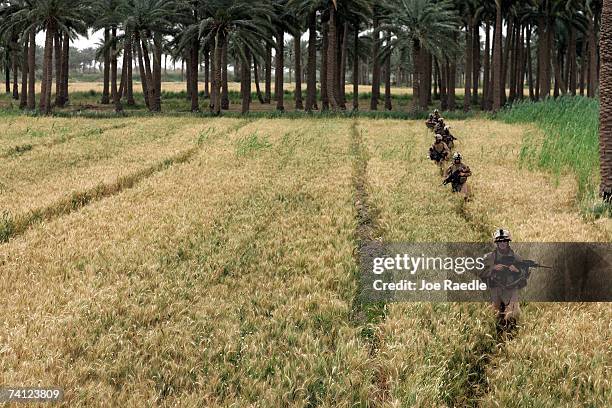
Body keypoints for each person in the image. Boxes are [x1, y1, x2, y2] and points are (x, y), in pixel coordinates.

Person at [479, 229, 527, 327]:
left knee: (512, 317)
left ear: (508, 242)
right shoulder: (489, 257)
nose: (502, 243)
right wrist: (492, 268)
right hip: (495, 290)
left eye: (504, 240)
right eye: (499, 241)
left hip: (511, 290)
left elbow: (526, 273)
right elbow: (480, 272)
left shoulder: (516, 257)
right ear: (496, 242)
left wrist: (517, 270)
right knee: (495, 318)